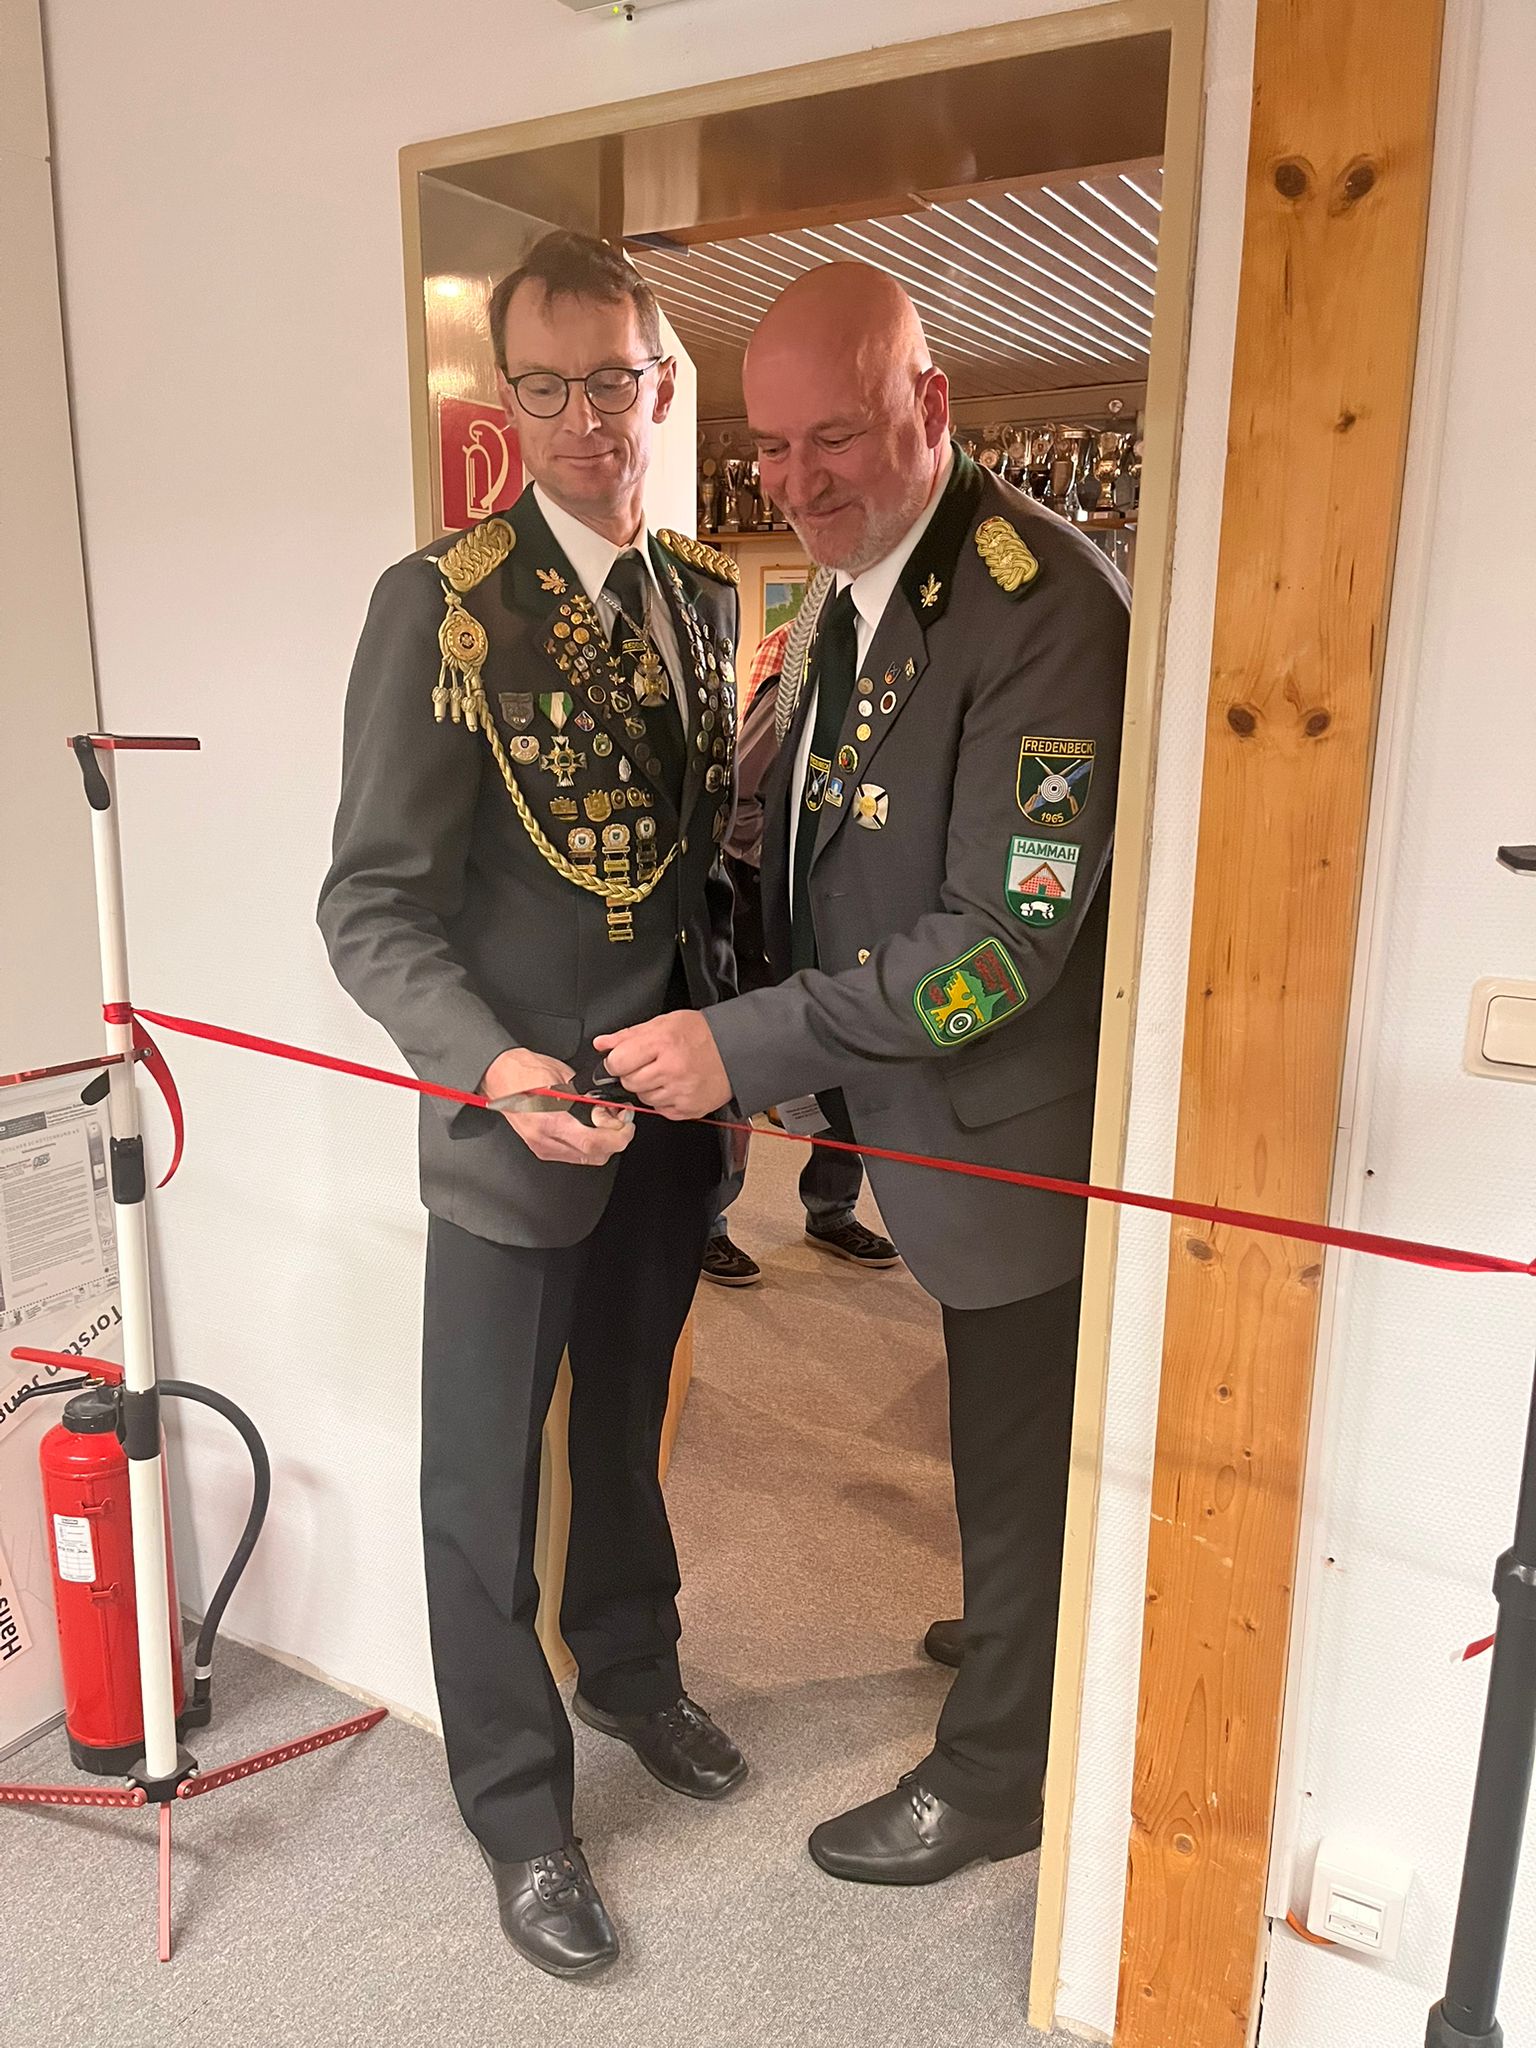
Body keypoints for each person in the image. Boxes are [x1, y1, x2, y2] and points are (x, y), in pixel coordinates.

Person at [598, 262, 1129, 1888]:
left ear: (931, 406)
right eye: (770, 446)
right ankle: (1018, 1622)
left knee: (1022, 1438)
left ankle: (996, 1772)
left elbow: (1000, 946)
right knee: (993, 1434)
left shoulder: (1042, 602)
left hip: (1010, 1122)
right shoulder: (858, 585)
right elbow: (817, 833)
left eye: (835, 435)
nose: (798, 480)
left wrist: (748, 1042)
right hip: (909, 1108)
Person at [318, 230, 746, 1979]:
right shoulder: (443, 604)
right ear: (508, 398)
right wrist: (491, 1066)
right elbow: (372, 905)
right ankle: (515, 1804)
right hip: (516, 1124)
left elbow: (695, 869)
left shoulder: (704, 596)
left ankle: (631, 1666)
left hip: (672, 1116)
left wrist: (749, 1048)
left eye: (616, 380)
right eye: (550, 386)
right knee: (484, 1477)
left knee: (630, 1425)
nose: (588, 418)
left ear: (662, 382)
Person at [704, 623, 899, 1287]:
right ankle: (708, 1221)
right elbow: (738, 799)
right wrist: (784, 866)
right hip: (763, 895)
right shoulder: (807, 666)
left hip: (846, 904)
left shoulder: (900, 674)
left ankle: (832, 1206)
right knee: (741, 1057)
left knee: (847, 1048)